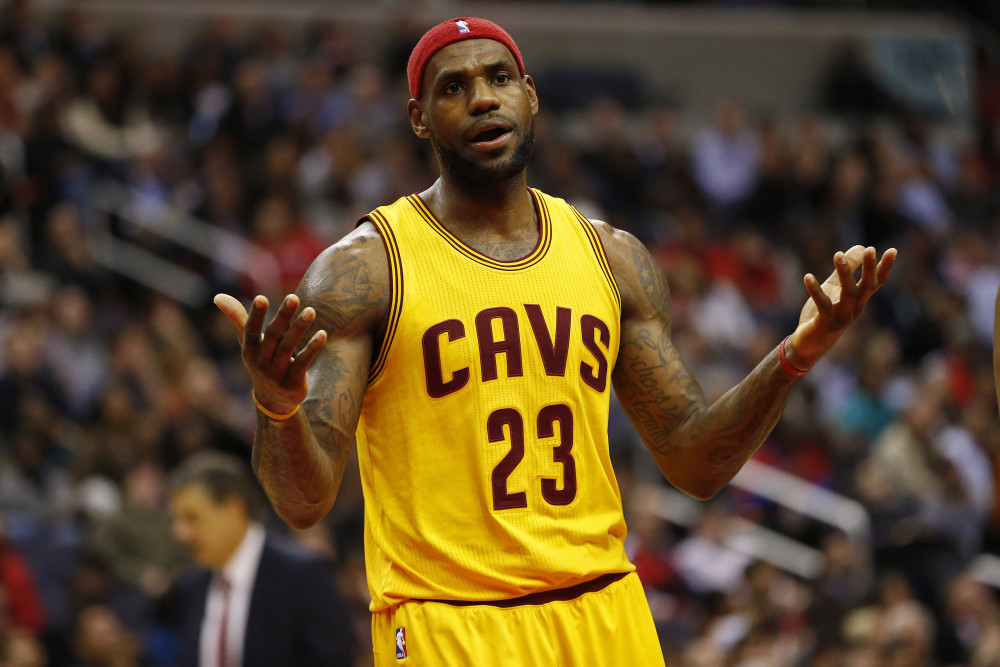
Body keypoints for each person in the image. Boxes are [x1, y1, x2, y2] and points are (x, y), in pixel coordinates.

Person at [214, 16, 896, 665]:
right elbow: (302, 504)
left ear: (531, 96)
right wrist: (277, 406)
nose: (482, 98)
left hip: (605, 610)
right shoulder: (365, 270)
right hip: (453, 620)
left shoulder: (612, 257)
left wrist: (794, 355)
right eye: (453, 87)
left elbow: (695, 462)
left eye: (499, 78)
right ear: (420, 118)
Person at [166, 452, 353, 667]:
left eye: (192, 518)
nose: (180, 533)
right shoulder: (191, 586)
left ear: (233, 509)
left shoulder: (303, 576)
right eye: (177, 520)